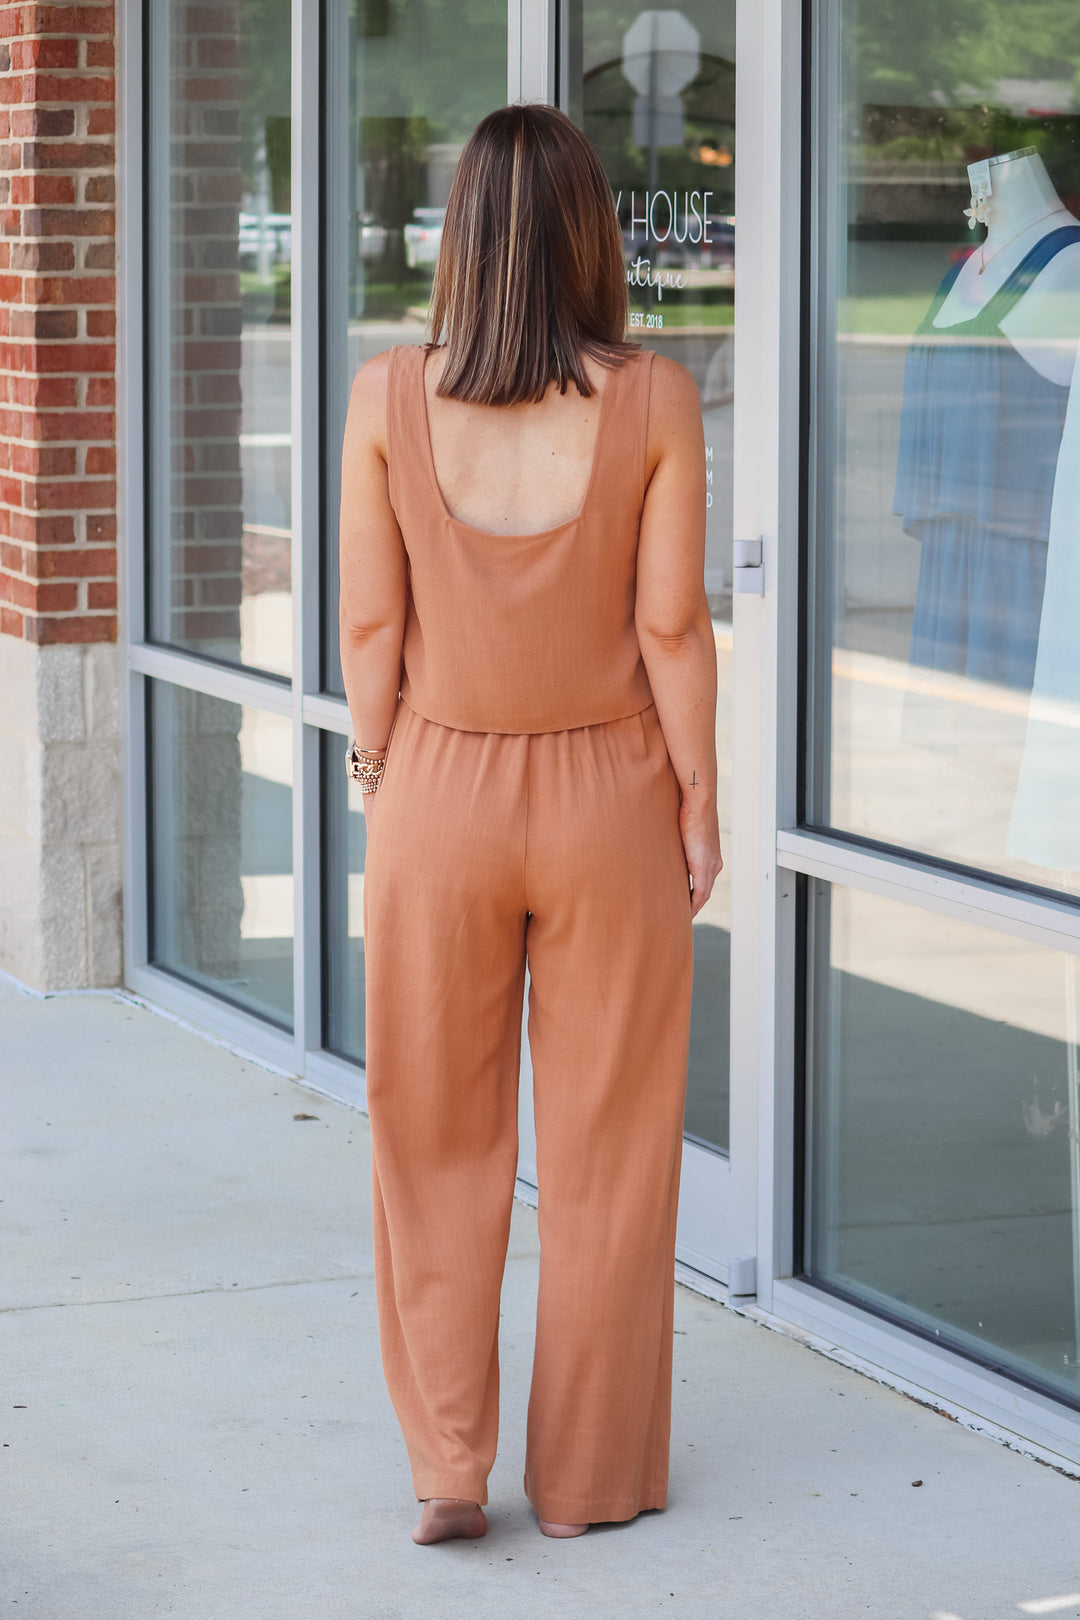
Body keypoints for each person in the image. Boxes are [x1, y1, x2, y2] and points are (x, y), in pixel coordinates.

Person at [337, 102, 722, 1547]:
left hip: (440, 789)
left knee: (430, 1133)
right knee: (612, 1141)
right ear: (586, 234)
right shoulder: (655, 399)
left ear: (457, 239)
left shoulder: (385, 398)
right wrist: (699, 797)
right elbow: (671, 627)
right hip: (610, 796)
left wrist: (388, 780)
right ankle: (589, 1482)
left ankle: (449, 1462)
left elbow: (371, 621)